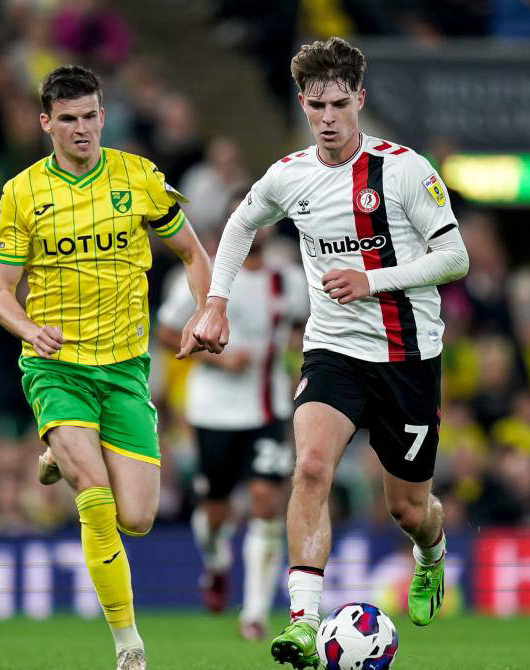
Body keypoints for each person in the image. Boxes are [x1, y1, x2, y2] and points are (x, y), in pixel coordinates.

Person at [186, 37, 469, 669]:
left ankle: (431, 554)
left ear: (360, 100)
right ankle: (303, 623)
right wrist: (216, 302)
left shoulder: (405, 170)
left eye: (340, 103)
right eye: (317, 106)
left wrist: (374, 280)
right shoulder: (290, 175)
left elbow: (455, 257)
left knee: (408, 509)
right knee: (311, 467)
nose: (329, 117)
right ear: (303, 105)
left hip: (407, 356)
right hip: (333, 350)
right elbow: (240, 224)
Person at [0, 65, 212, 670]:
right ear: (46, 123)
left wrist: (205, 311)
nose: (81, 129)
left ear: (103, 116)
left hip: (125, 370)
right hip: (56, 367)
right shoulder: (22, 194)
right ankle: (128, 645)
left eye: (90, 116)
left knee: (136, 517)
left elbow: (193, 254)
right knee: (95, 495)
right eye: (68, 119)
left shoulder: (138, 178)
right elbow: (0, 293)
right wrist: (29, 329)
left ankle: (58, 453)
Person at [157, 192, 309, 641]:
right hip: (214, 411)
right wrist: (218, 359)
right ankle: (217, 562)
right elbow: (166, 332)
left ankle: (255, 614)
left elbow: (301, 327)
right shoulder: (206, 274)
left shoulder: (289, 279)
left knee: (265, 500)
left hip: (268, 408)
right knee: (215, 513)